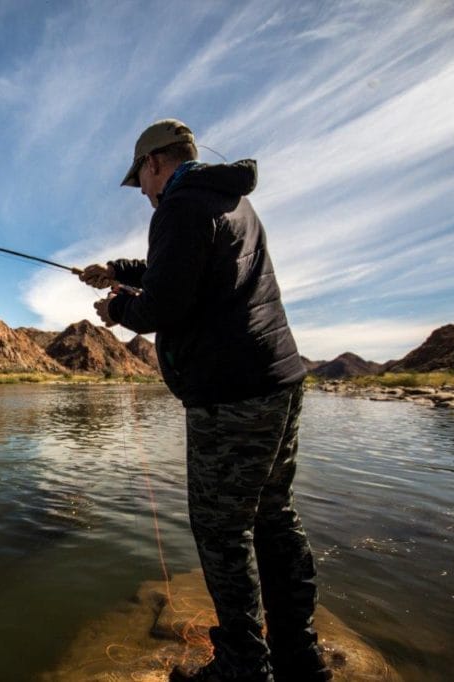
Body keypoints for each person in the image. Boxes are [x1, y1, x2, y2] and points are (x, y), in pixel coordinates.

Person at [79, 119, 330, 682]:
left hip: (232, 395)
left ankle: (243, 666)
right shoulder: (228, 200)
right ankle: (298, 655)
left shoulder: (180, 207)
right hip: (278, 383)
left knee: (220, 529)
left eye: (140, 180)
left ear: (154, 164)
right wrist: (116, 272)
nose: (143, 193)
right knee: (272, 517)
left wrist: (117, 311)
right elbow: (179, 270)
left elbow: (164, 303)